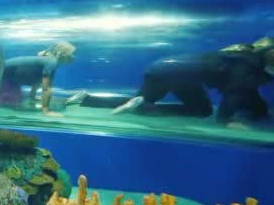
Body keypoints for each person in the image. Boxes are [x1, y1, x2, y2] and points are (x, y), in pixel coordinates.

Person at [66, 43, 274, 125]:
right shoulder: (248, 68)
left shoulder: (243, 56)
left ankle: (86, 98)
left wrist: (261, 111)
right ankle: (146, 108)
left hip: (161, 68)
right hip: (177, 75)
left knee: (136, 99)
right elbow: (234, 95)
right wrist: (227, 122)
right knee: (201, 111)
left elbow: (247, 94)